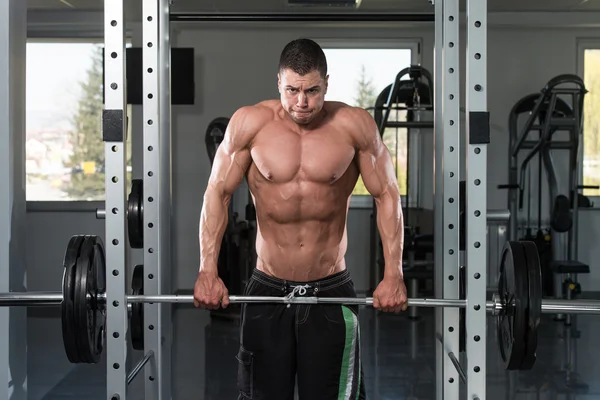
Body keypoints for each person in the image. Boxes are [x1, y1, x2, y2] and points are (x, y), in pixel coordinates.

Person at [193, 38, 408, 400]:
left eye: (312, 91)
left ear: (327, 83)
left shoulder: (354, 126)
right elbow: (217, 192)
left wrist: (394, 274)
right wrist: (207, 270)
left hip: (331, 289)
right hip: (267, 289)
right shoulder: (250, 124)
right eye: (292, 90)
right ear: (278, 81)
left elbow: (387, 194)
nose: (302, 102)